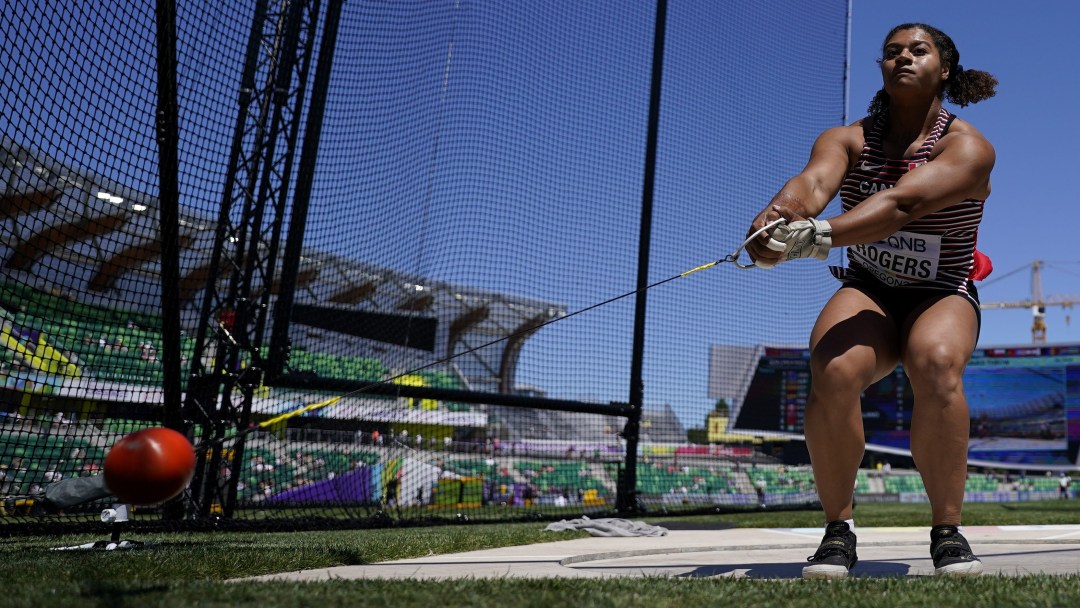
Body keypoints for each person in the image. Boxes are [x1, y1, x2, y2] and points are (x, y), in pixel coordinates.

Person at [744, 23, 998, 579]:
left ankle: (947, 533)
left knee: (936, 363)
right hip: (871, 287)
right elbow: (811, 184)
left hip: (941, 290)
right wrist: (778, 218)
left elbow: (903, 205)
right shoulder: (848, 139)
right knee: (832, 370)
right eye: (891, 52)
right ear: (881, 68)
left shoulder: (970, 148)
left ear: (945, 68)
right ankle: (838, 533)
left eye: (918, 50)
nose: (903, 57)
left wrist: (820, 235)